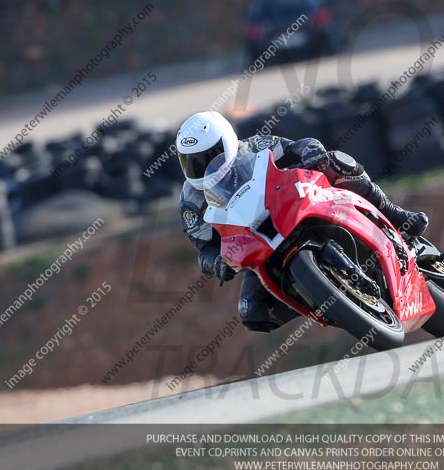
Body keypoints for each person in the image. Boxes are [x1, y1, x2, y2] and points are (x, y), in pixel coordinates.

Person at [176, 111, 428, 332]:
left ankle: (396, 215)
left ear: (227, 141)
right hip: (259, 244)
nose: (202, 168)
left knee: (336, 162)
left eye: (209, 157)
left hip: (292, 206)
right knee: (251, 311)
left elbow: (297, 147)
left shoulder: (255, 147)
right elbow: (204, 250)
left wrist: (310, 151)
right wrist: (216, 263)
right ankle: (328, 301)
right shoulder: (191, 202)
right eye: (191, 162)